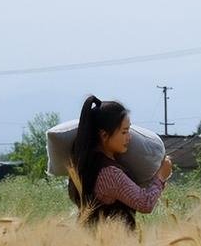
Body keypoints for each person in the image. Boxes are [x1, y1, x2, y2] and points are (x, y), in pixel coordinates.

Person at [68, 95, 173, 230]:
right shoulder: (110, 173)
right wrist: (161, 176)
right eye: (124, 132)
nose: (129, 137)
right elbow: (145, 203)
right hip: (114, 245)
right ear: (104, 135)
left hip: (98, 241)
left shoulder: (85, 163)